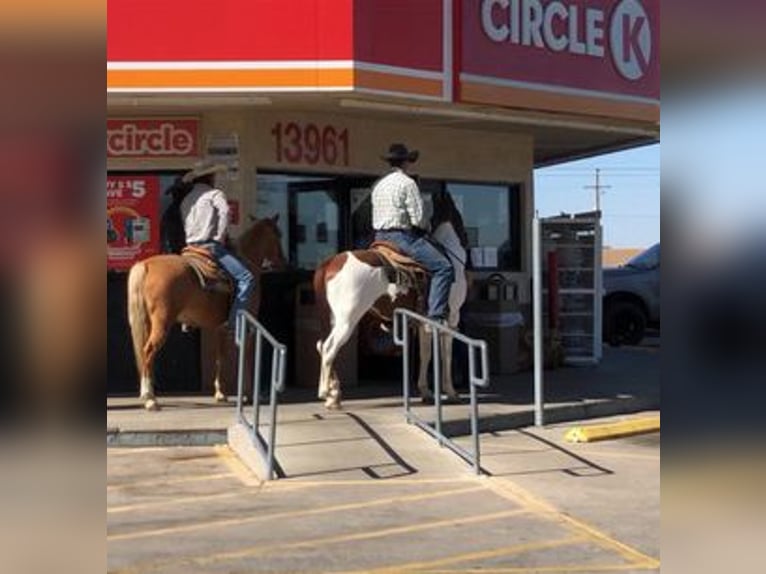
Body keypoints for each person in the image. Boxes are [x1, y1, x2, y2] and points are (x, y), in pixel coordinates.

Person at [371, 143, 454, 323]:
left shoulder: (379, 185)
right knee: (444, 267)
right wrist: (427, 227)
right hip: (402, 238)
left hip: (379, 237)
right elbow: (418, 220)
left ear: (390, 163)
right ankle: (436, 315)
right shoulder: (408, 183)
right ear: (407, 163)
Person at [180, 160, 254, 329]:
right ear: (210, 177)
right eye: (214, 175)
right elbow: (226, 213)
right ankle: (236, 322)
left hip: (190, 247)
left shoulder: (187, 199)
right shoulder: (215, 194)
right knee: (246, 278)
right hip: (210, 246)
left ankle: (188, 319)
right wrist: (220, 236)